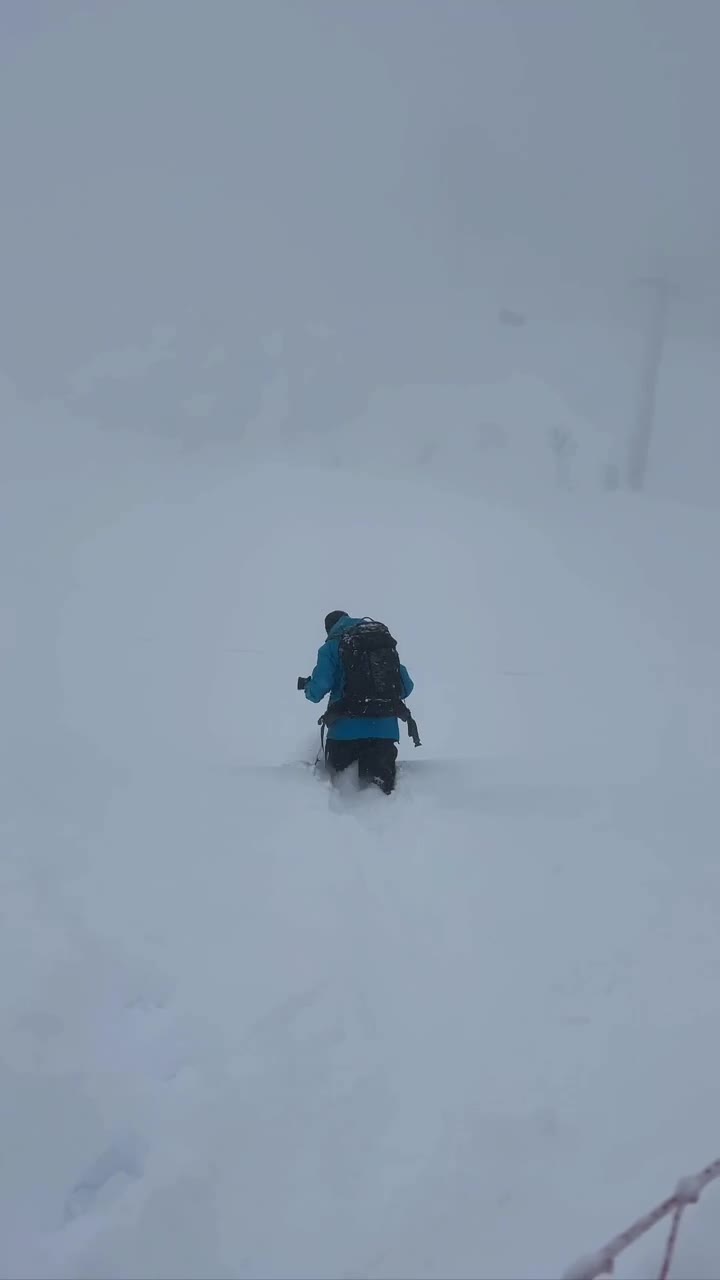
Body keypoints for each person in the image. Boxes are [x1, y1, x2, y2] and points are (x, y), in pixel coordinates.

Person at [299, 610, 415, 795]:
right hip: (384, 733)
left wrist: (308, 687)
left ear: (329, 629)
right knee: (380, 794)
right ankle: (385, 819)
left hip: (344, 733)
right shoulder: (380, 643)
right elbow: (406, 687)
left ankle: (338, 818)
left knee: (342, 792)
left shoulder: (330, 647)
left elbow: (317, 690)